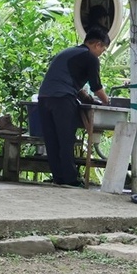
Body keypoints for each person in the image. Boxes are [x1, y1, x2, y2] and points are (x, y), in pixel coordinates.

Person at [37, 28, 111, 188]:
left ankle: (59, 177)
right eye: (103, 50)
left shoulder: (69, 52)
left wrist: (86, 97)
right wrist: (106, 102)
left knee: (52, 140)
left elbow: (69, 81)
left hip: (44, 98)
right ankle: (70, 179)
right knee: (66, 140)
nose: (101, 54)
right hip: (62, 99)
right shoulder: (90, 58)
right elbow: (97, 86)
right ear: (98, 45)